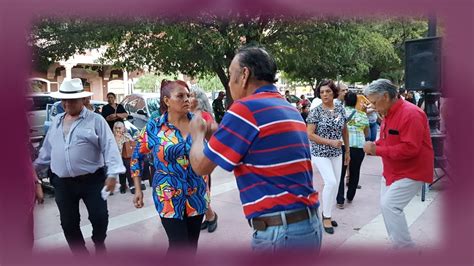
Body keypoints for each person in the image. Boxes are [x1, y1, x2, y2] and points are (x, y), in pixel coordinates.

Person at [189, 46, 322, 252]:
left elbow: (200, 167)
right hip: (308, 226)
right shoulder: (286, 107)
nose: (230, 81)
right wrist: (212, 134)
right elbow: (252, 148)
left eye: (231, 74)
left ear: (244, 75)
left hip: (280, 233)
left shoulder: (245, 109)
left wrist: (197, 135)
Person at [34, 78, 125, 255]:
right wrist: (32, 171)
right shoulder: (57, 121)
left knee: (99, 218)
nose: (67, 103)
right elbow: (47, 151)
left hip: (92, 180)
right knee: (68, 223)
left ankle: (99, 242)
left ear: (84, 100)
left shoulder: (96, 120)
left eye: (72, 99)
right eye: (64, 99)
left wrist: (113, 174)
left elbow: (109, 147)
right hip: (62, 183)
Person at [131, 79, 209, 254]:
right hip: (168, 196)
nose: (187, 99)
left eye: (188, 95)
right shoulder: (154, 127)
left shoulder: (198, 123)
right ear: (167, 101)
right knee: (178, 246)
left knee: (191, 246)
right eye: (180, 96)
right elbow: (137, 156)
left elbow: (208, 156)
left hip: (196, 194)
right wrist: (137, 188)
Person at [362, 79, 434, 249]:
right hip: (391, 171)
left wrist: (376, 150)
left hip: (412, 171)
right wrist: (375, 145)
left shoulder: (411, 114)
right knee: (387, 208)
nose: (372, 106)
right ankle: (399, 245)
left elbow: (411, 149)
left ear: (385, 96)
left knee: (390, 206)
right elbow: (387, 140)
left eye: (374, 102)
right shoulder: (387, 113)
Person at [306, 79, 350, 234]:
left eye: (328, 91)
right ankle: (326, 216)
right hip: (320, 152)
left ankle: (328, 214)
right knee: (330, 182)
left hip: (337, 153)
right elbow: (310, 134)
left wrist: (348, 151)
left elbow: (344, 130)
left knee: (336, 184)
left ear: (334, 93)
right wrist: (330, 142)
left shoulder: (340, 108)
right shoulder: (315, 111)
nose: (325, 94)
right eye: (322, 92)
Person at [189, 87, 218, 233]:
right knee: (194, 191)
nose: (188, 98)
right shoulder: (185, 115)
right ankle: (208, 216)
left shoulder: (206, 116)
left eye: (191, 96)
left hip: (202, 157)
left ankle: (211, 216)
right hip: (188, 158)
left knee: (202, 190)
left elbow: (211, 138)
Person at [336, 92, 369, 209]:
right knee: (355, 171)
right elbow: (367, 132)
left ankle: (340, 199)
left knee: (340, 172)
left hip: (343, 146)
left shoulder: (339, 114)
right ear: (356, 102)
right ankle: (350, 196)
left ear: (345, 101)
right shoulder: (362, 115)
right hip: (359, 147)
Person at [113, 121, 134, 194]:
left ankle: (131, 184)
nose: (118, 130)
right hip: (117, 157)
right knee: (122, 164)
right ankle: (123, 185)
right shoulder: (112, 137)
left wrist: (126, 137)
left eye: (119, 128)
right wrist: (117, 138)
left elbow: (132, 144)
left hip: (127, 157)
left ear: (123, 128)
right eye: (116, 128)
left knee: (127, 164)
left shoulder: (127, 135)